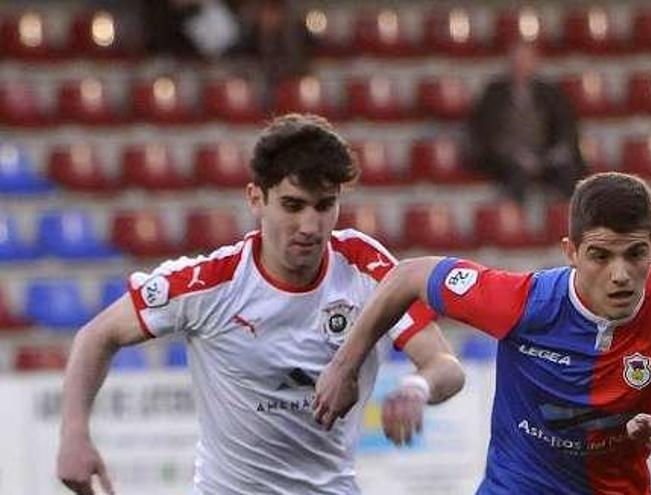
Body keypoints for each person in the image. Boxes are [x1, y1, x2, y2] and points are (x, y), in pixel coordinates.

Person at [56, 113, 466, 495]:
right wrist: (74, 435)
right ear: (256, 199)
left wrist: (416, 388)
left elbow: (445, 367)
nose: (310, 226)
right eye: (293, 205)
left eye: (325, 206)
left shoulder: (367, 270)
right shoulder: (211, 283)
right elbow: (97, 334)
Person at [315, 172, 651, 494]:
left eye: (635, 254)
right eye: (600, 255)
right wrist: (343, 366)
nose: (620, 275)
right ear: (571, 252)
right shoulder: (524, 303)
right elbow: (408, 276)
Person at [467, 41, 586, 205]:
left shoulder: (549, 91)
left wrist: (556, 151)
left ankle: (567, 221)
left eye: (526, 61)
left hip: (545, 155)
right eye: (517, 61)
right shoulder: (493, 93)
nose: (521, 66)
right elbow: (485, 132)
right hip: (509, 158)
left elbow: (566, 124)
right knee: (517, 177)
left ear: (535, 63)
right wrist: (516, 155)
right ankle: (516, 221)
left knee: (569, 173)